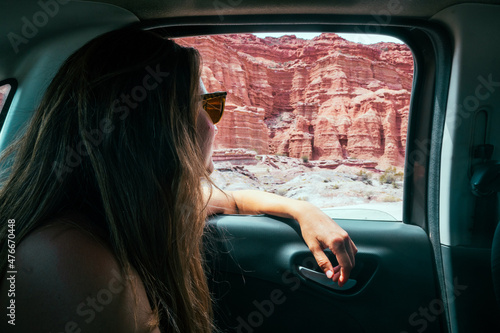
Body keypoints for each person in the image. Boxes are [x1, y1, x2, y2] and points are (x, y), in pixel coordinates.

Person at [0, 29, 356, 332]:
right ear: (153, 127)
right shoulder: (70, 263)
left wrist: (301, 208)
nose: (214, 124)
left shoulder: (140, 204)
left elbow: (230, 200)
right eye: (207, 105)